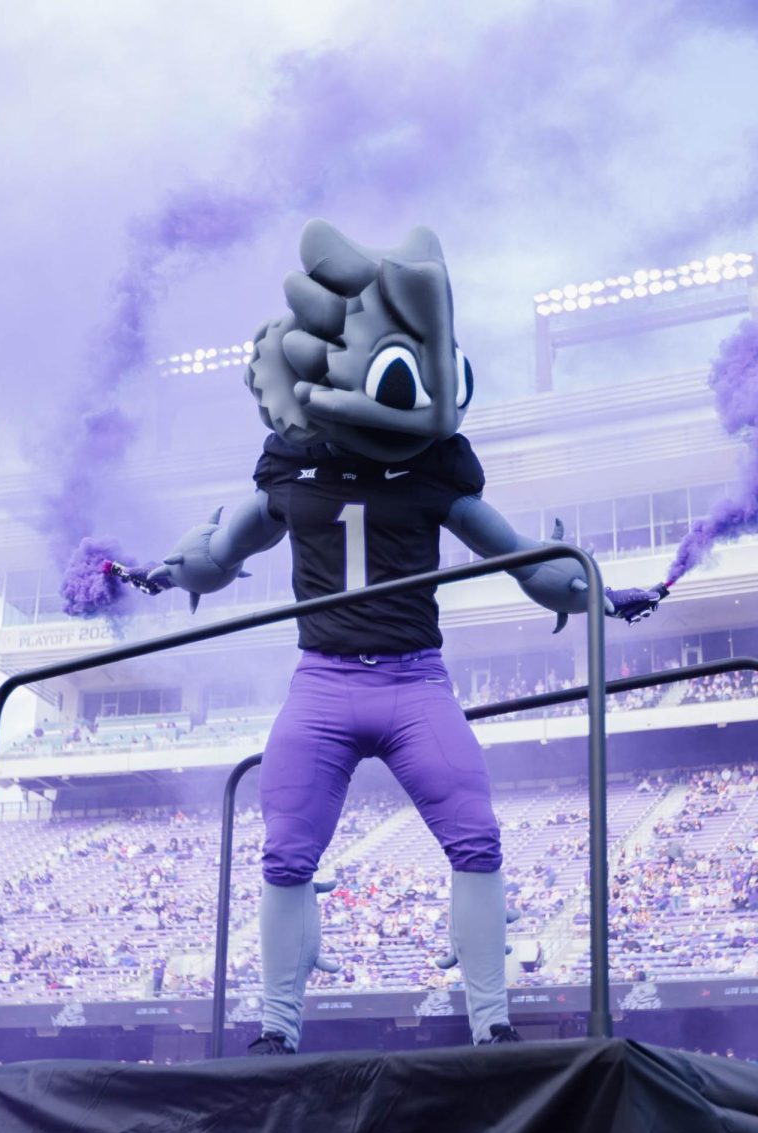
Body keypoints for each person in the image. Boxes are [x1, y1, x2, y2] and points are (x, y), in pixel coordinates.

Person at [148, 220, 663, 1054]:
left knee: (476, 835)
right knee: (286, 852)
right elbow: (224, 548)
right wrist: (172, 572)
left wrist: (598, 592)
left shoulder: (432, 468)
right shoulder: (289, 467)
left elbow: (523, 560)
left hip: (413, 681)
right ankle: (278, 1027)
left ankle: (491, 1021)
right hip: (321, 683)